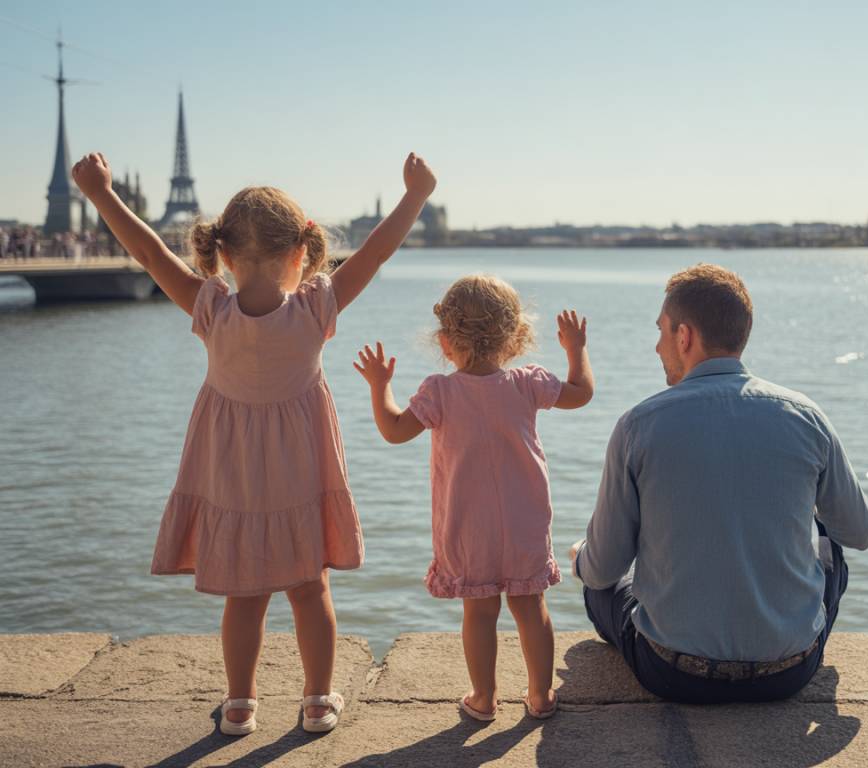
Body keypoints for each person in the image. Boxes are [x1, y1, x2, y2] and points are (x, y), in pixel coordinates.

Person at [72, 150, 437, 735]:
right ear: (301, 253)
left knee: (243, 595)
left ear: (222, 254)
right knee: (309, 585)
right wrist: (415, 195)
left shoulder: (210, 307)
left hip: (231, 471)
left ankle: (240, 703)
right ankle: (318, 700)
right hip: (300, 471)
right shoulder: (317, 308)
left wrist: (101, 194)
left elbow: (147, 252)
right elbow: (377, 251)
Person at [572, 263, 868, 704]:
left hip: (673, 674)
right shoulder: (806, 416)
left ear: (684, 336)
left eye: (661, 331)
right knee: (830, 539)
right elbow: (861, 533)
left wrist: (582, 558)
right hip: (788, 673)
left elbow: (604, 568)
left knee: (596, 580)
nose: (656, 346)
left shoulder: (638, 425)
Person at [353, 276, 594, 721]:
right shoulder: (528, 383)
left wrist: (378, 384)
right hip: (525, 521)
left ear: (445, 343)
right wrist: (575, 349)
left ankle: (484, 699)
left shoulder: (439, 393)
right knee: (531, 606)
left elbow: (393, 430)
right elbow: (581, 394)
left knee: (480, 612)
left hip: (467, 526)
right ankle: (540, 696)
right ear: (517, 338)